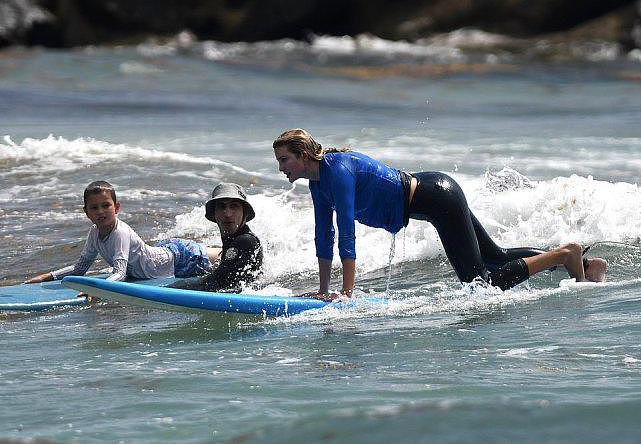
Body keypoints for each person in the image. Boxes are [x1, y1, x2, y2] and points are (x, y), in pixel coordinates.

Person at [273, 128, 607, 300]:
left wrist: (345, 293)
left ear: (303, 155)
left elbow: (346, 230)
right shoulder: (318, 184)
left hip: (437, 198)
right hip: (436, 194)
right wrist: (322, 290)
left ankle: (565, 253)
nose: (280, 168)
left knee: (481, 285)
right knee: (495, 256)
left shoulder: (338, 170)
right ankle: (585, 265)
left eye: (284, 160)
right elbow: (324, 236)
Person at [25, 181, 217, 284]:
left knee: (225, 256)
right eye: (94, 207)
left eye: (106, 205)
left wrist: (100, 289)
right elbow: (80, 269)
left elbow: (120, 273)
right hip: (161, 254)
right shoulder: (94, 233)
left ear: (116, 207)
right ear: (86, 212)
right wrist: (46, 277)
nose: (101, 211)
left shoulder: (120, 232)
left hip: (180, 259)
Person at [168, 182, 263, 292]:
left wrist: (170, 289)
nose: (227, 214)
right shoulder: (233, 240)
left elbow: (217, 283)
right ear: (214, 213)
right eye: (222, 207)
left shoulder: (246, 241)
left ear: (245, 213)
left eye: (234, 206)